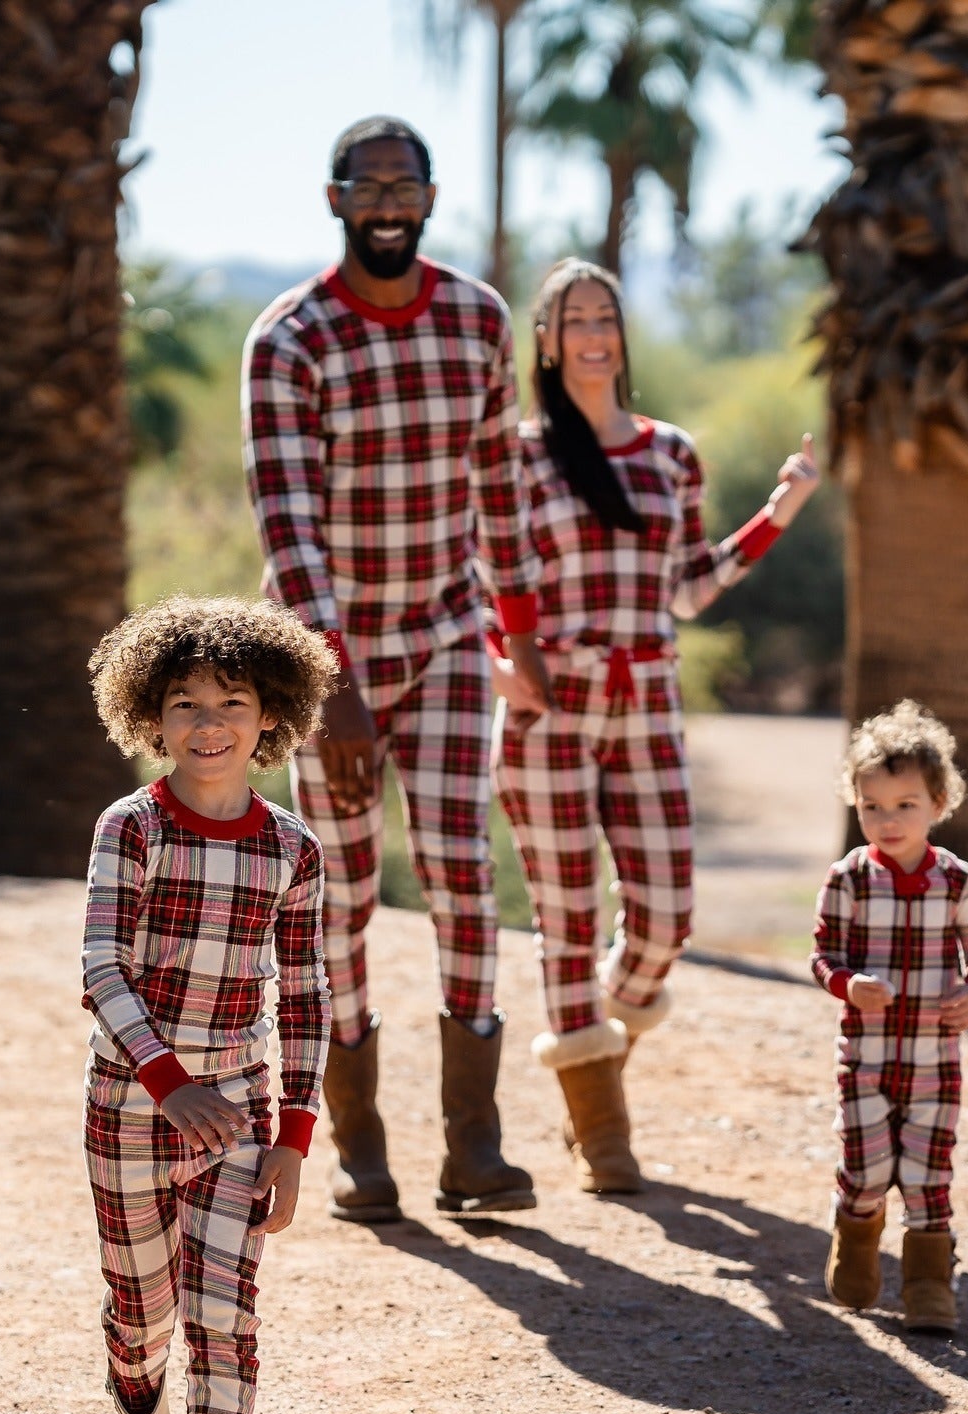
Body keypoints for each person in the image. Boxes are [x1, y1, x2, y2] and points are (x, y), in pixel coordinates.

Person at [242, 116, 551, 1225]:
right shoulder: (291, 340)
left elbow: (500, 489)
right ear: (334, 202)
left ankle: (475, 1144)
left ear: (429, 198)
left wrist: (518, 626)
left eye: (401, 184)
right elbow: (290, 533)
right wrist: (333, 691)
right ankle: (358, 1144)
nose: (385, 201)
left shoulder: (477, 319)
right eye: (365, 185)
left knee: (464, 866)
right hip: (332, 662)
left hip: (452, 634)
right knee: (343, 897)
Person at [492, 257, 820, 1193]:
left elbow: (687, 588)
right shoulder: (516, 455)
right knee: (565, 916)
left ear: (622, 335)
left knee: (667, 918)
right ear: (546, 343)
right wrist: (496, 664)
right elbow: (475, 579)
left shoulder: (671, 452)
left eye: (606, 316)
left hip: (648, 705)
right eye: (573, 319)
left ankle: (594, 1054)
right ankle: (604, 1138)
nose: (593, 333)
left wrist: (780, 510)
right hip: (549, 707)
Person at [82, 596, 335, 1414]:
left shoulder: (293, 851)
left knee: (225, 1310)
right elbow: (102, 969)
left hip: (237, 1116)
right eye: (185, 703)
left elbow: (308, 998)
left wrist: (294, 1137)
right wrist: (168, 1082)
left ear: (273, 716)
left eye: (233, 701)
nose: (210, 722)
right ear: (150, 715)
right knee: (142, 1307)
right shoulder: (130, 827)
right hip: (131, 1107)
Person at [810, 701, 968, 1333]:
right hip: (864, 1057)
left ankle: (927, 1284)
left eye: (904, 805)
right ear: (855, 803)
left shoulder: (958, 881)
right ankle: (857, 1237)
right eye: (872, 807)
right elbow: (822, 956)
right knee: (865, 1171)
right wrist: (847, 983)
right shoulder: (849, 880)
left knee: (927, 1173)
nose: (887, 821)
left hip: (933, 1060)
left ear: (939, 804)